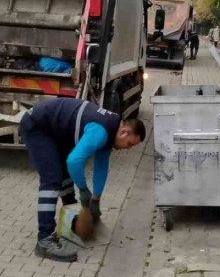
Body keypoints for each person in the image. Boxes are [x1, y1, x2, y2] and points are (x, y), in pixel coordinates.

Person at [18, 98, 146, 262]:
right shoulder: (100, 131)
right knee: (52, 179)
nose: (128, 149)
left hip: (55, 130)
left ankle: (71, 222)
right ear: (124, 133)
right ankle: (44, 240)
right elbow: (74, 161)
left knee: (65, 174)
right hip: (37, 126)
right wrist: (84, 190)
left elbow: (101, 166)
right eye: (129, 144)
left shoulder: (111, 130)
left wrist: (96, 199)